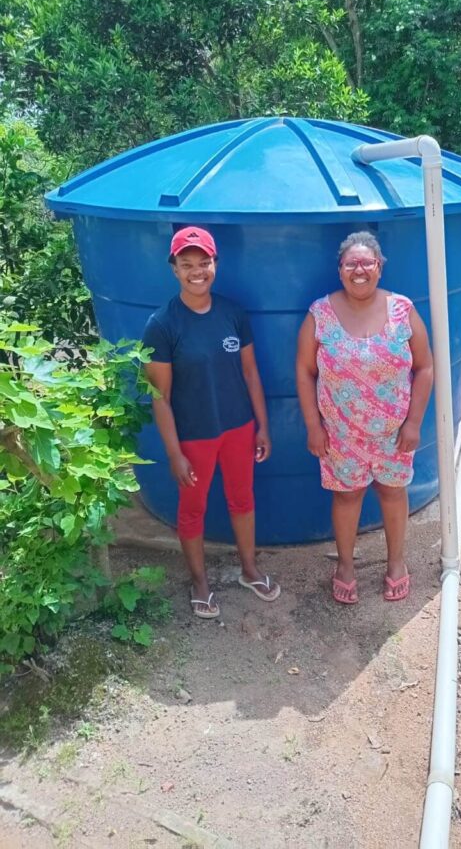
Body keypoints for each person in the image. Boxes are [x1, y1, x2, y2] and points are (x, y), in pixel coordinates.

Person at [143, 226, 280, 619]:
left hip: (238, 428)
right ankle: (199, 582)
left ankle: (249, 570)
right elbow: (160, 397)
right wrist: (173, 453)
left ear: (215, 264)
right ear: (174, 269)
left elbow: (251, 374)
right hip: (195, 437)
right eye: (187, 265)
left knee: (242, 500)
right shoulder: (163, 324)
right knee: (193, 509)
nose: (196, 271)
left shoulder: (233, 313)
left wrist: (262, 426)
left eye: (203, 263)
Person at [296, 231, 434, 604]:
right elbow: (305, 371)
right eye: (351, 263)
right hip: (340, 434)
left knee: (392, 493)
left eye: (367, 263)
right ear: (340, 270)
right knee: (347, 497)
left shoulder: (402, 309)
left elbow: (425, 367)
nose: (359, 270)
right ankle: (345, 565)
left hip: (394, 433)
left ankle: (396, 563)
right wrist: (313, 426)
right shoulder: (319, 314)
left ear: (380, 267)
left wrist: (414, 423)